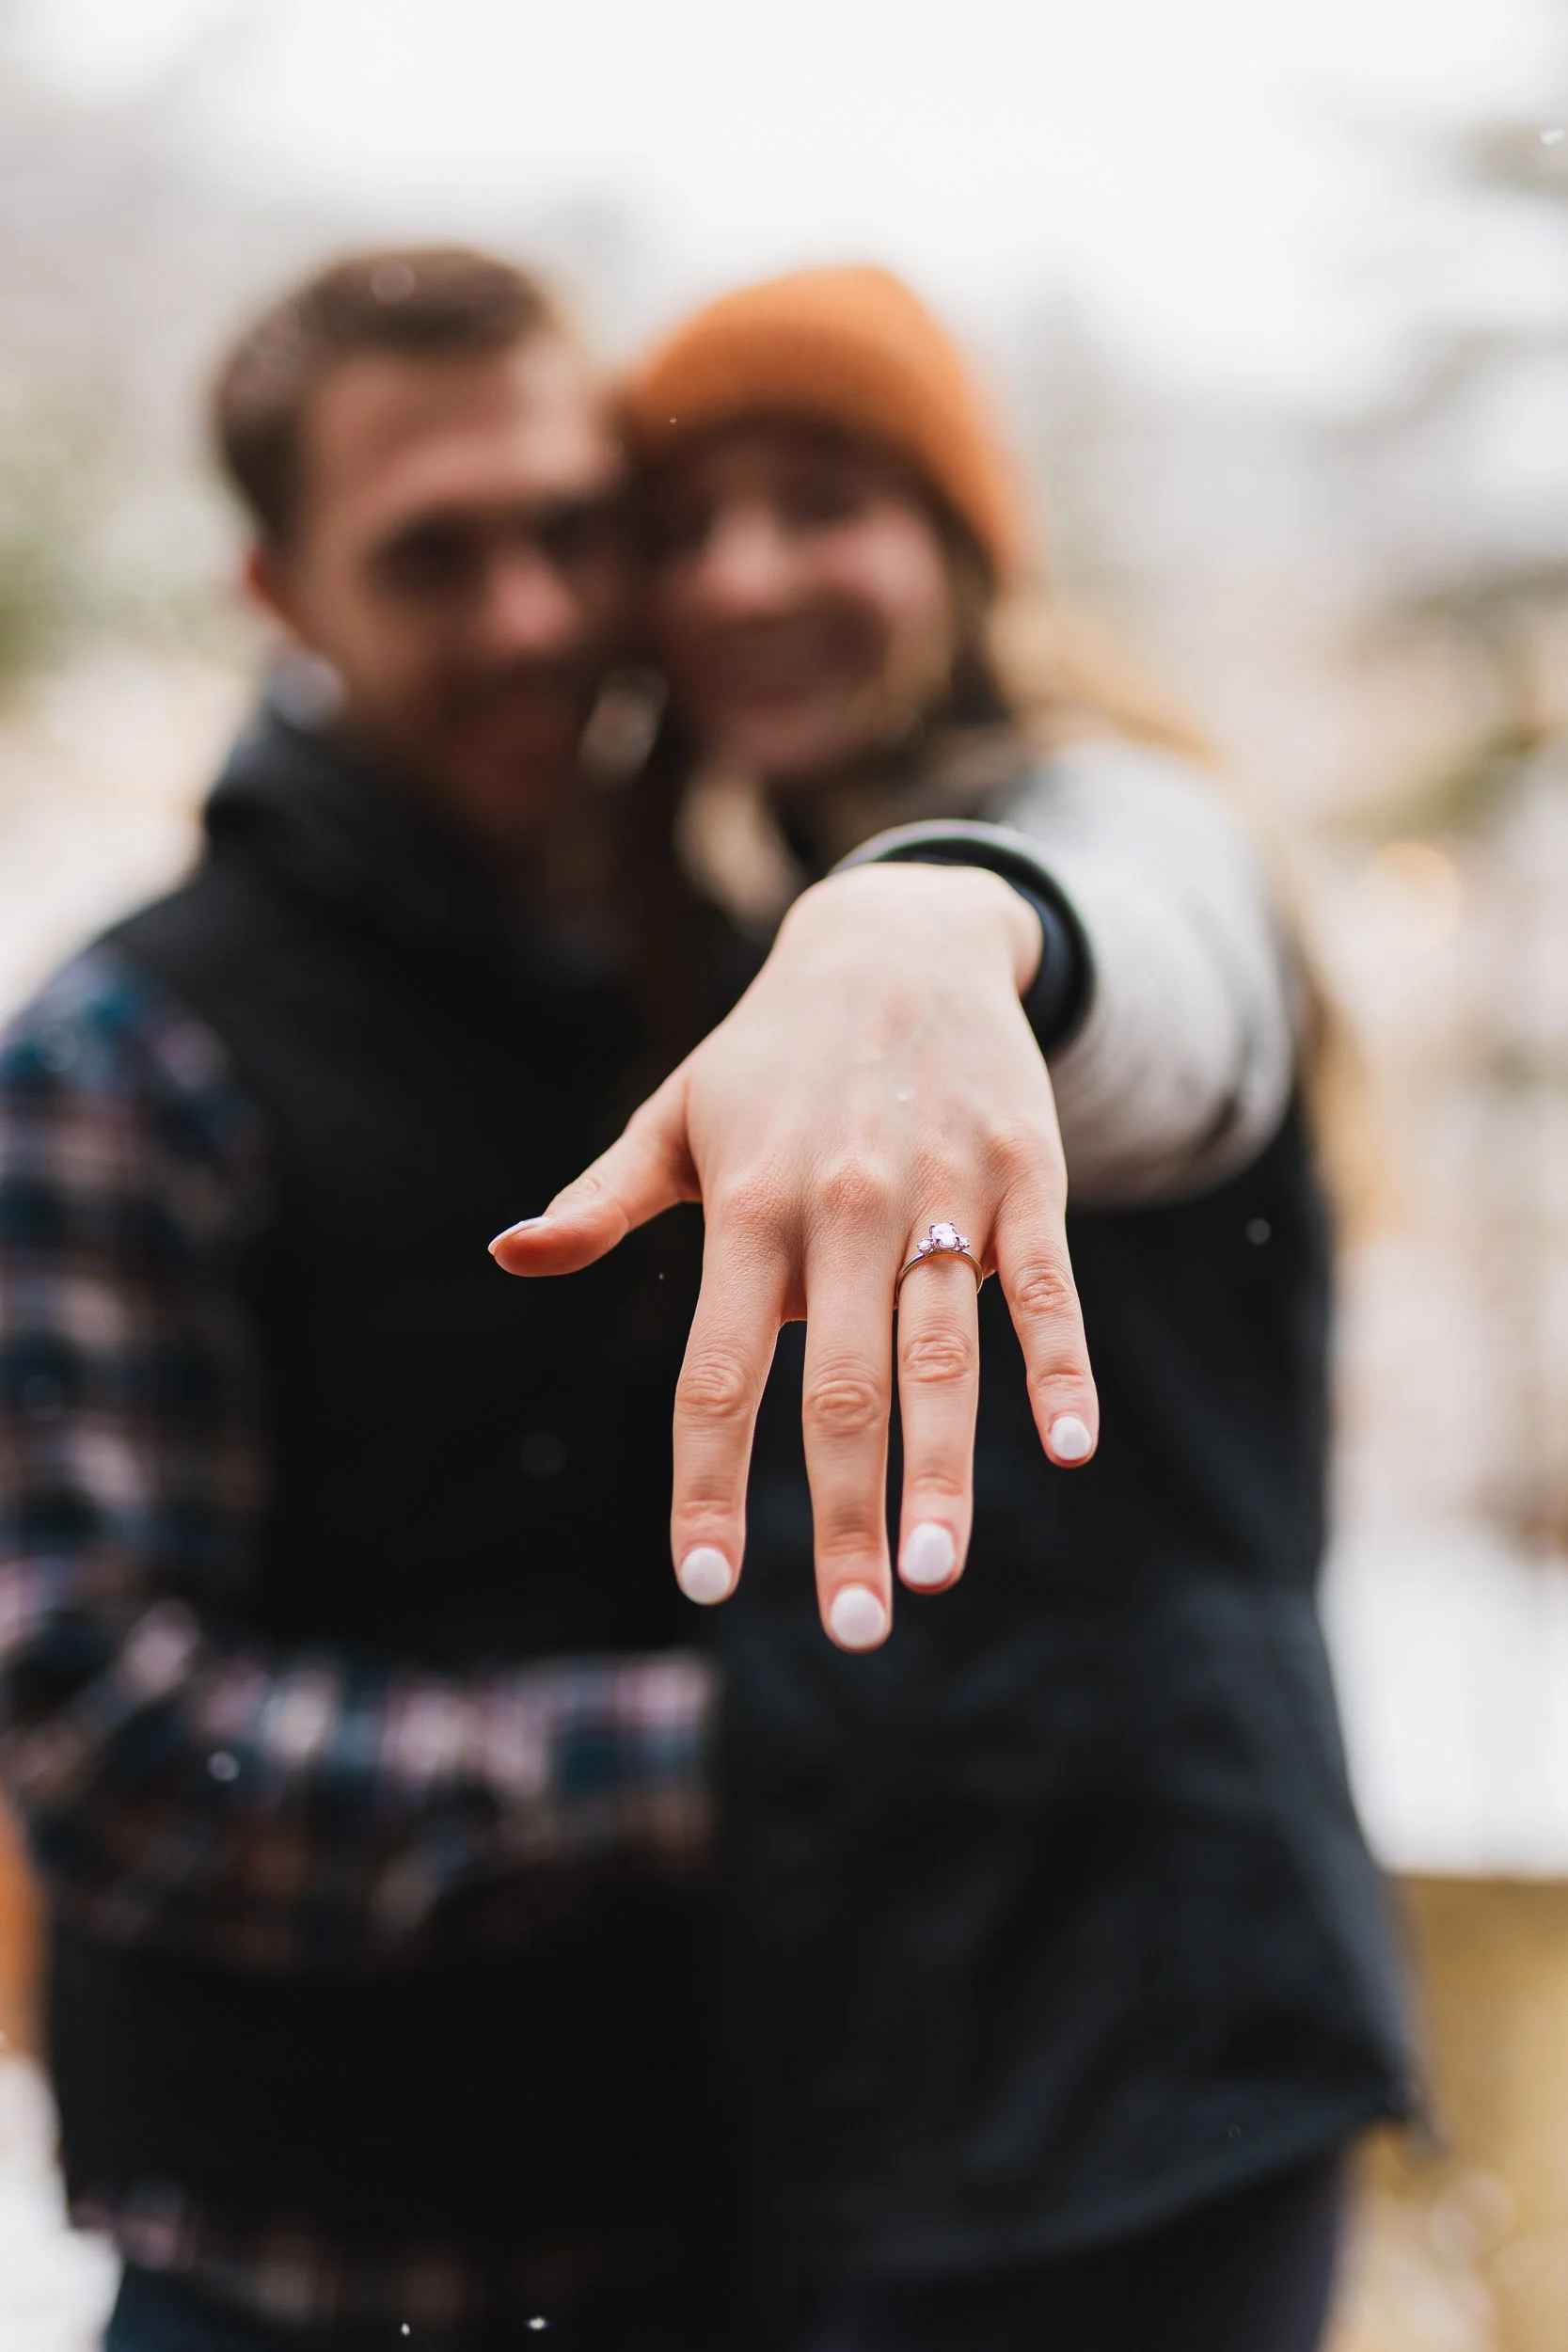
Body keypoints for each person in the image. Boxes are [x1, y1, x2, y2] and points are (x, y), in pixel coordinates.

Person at [491, 266, 1418, 2350]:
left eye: (821, 500)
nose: (744, 575)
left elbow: (1159, 981)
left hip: (1138, 2077)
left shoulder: (1099, 827)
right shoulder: (698, 929)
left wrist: (941, 922)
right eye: (689, 521)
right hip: (849, 2076)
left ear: (961, 546)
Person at [0, 246, 739, 2351]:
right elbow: (107, 1733)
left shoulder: (676, 959)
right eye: (432, 558)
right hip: (305, 2284)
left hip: (711, 2230)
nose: (529, 618)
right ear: (282, 597)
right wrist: (733, 1752)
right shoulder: (124, 1055)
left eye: (566, 533)